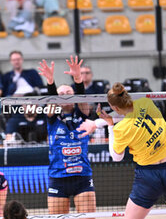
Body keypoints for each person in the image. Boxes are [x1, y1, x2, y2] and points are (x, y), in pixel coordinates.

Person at [79, 83, 166, 219]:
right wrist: (96, 123)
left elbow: (117, 157)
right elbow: (127, 113)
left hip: (149, 175)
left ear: (115, 107)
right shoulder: (145, 102)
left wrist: (110, 126)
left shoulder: (122, 129)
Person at [37, 56, 96, 216]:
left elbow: (82, 96)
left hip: (82, 176)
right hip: (58, 177)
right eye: (60, 94)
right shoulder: (53, 116)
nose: (64, 95)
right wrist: (50, 81)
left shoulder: (82, 112)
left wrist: (78, 78)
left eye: (68, 92)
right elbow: (51, 103)